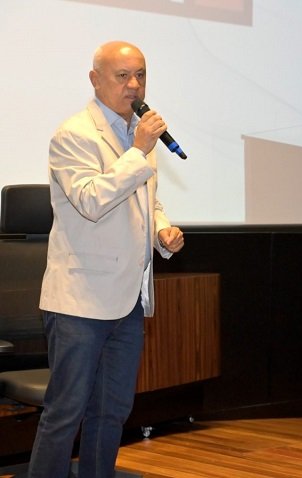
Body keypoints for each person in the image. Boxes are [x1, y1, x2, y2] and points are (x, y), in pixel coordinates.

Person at [28, 40, 185, 478]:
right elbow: (91, 200)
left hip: (127, 299)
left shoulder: (138, 136)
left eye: (141, 75)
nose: (134, 85)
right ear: (95, 80)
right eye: (122, 76)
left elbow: (146, 200)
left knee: (112, 411)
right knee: (66, 413)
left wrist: (162, 230)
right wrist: (138, 150)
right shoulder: (74, 135)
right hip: (80, 301)